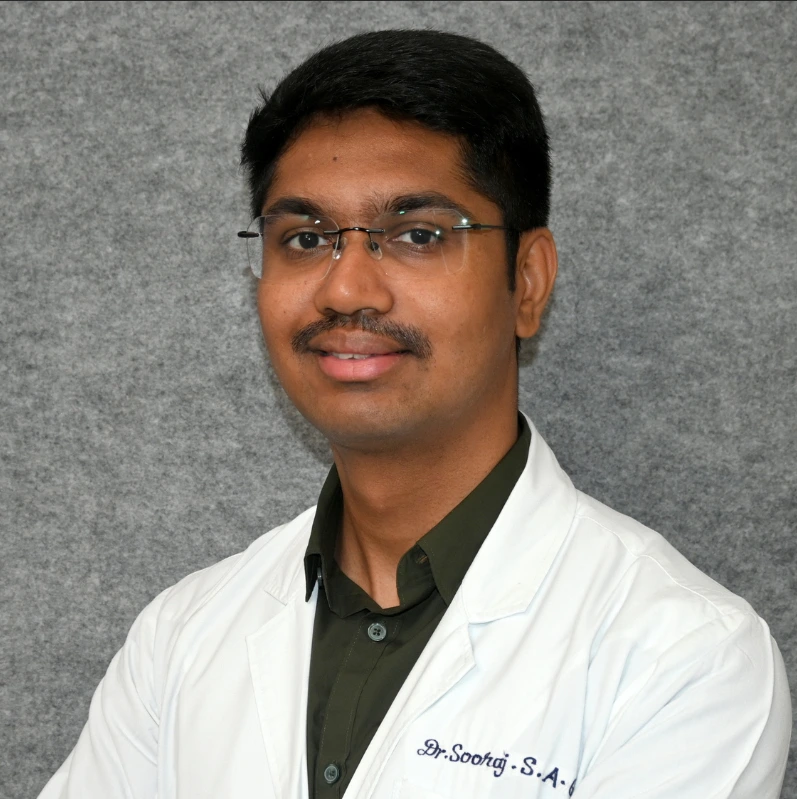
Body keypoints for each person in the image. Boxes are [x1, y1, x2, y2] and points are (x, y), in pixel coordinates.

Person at [39, 29, 791, 799]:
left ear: (528, 281)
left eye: (417, 234)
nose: (344, 289)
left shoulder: (685, 658)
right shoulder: (180, 637)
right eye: (305, 238)